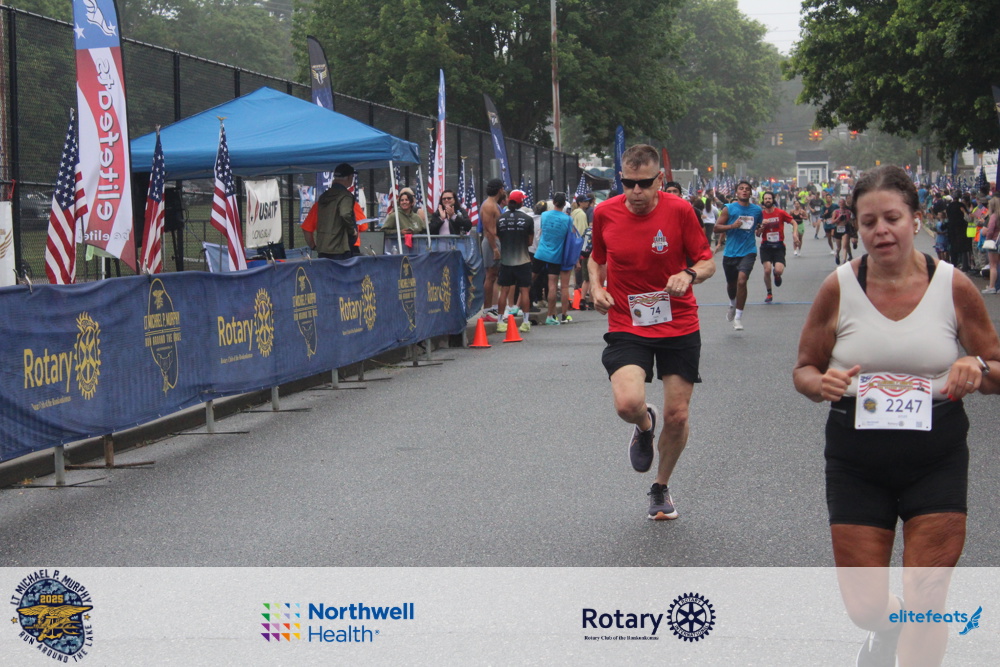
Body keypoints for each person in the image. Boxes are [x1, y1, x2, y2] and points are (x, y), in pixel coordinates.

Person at [792, 165, 1000, 667]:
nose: (881, 231)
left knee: (928, 597)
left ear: (916, 219)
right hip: (856, 460)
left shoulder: (953, 286)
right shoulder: (839, 287)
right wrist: (821, 385)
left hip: (936, 457)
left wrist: (975, 367)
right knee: (864, 607)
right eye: (868, 222)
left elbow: (996, 367)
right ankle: (887, 628)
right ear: (856, 226)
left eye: (892, 218)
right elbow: (804, 370)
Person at [588, 144, 716, 520]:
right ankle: (645, 424)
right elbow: (596, 258)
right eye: (629, 183)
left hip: (678, 322)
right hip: (628, 322)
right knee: (627, 404)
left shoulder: (680, 211)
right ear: (621, 179)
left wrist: (688, 274)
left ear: (660, 179)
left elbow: (707, 261)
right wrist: (595, 287)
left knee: (678, 415)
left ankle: (660, 487)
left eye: (644, 183)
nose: (636, 191)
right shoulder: (604, 213)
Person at [713, 180, 762, 331]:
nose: (744, 191)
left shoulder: (757, 210)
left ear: (751, 193)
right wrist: (732, 226)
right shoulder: (729, 208)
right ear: (736, 192)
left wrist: (760, 230)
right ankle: (732, 304)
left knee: (742, 281)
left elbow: (758, 228)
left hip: (748, 251)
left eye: (747, 189)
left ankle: (738, 318)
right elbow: (716, 228)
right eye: (741, 188)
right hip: (731, 252)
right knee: (731, 285)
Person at [494, 189, 534, 333]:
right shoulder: (528, 219)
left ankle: (500, 322)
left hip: (506, 261)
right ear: (521, 202)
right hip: (523, 260)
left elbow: (499, 237)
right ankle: (525, 322)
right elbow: (530, 242)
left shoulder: (500, 219)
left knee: (504, 291)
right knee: (524, 290)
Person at [302, 163, 359, 260]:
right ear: (350, 177)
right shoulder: (345, 196)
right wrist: (352, 230)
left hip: (323, 248)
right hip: (340, 249)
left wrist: (314, 246)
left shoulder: (324, 196)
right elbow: (345, 214)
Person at [533, 192, 572, 325]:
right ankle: (550, 315)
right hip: (556, 254)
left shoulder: (544, 215)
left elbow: (542, 230)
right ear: (564, 204)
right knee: (552, 285)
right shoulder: (567, 219)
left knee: (530, 279)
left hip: (541, 252)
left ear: (554, 202)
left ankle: (518, 305)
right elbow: (569, 237)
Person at [757, 191, 799, 304]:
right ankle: (769, 293)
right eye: (766, 199)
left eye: (769, 198)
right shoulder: (760, 215)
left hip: (778, 246)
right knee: (767, 270)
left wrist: (795, 234)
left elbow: (794, 222)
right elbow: (757, 233)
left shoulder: (780, 213)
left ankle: (777, 275)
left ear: (773, 200)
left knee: (779, 270)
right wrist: (762, 226)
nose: (767, 200)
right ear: (763, 201)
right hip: (766, 246)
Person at [480, 178, 506, 321]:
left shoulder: (494, 205)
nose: (504, 191)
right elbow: (489, 229)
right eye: (503, 188)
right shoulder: (489, 205)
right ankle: (487, 310)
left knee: (494, 275)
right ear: (499, 189)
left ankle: (490, 309)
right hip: (491, 242)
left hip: (496, 241)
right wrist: (495, 248)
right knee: (490, 276)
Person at [573, 193, 594, 310]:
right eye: (585, 201)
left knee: (586, 278)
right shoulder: (581, 214)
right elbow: (581, 232)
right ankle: (591, 301)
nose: (587, 203)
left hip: (580, 250)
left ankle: (581, 300)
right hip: (586, 248)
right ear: (580, 203)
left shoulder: (574, 213)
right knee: (592, 277)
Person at [982, 195, 1000, 294]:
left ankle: (992, 286)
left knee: (993, 265)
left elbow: (990, 230)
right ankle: (998, 286)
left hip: (993, 242)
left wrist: (987, 239)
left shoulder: (993, 216)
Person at [832, 196, 856, 265]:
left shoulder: (848, 212)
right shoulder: (836, 211)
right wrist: (838, 218)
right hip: (838, 229)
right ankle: (837, 254)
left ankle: (844, 261)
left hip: (845, 229)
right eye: (840, 203)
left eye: (843, 203)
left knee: (845, 246)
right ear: (838, 204)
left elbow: (851, 220)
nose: (842, 204)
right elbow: (832, 222)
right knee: (839, 247)